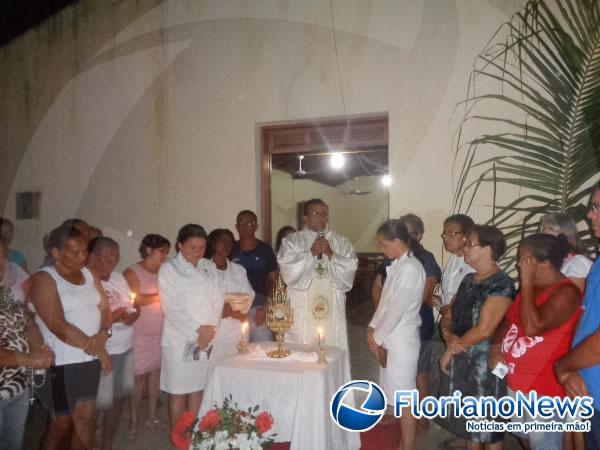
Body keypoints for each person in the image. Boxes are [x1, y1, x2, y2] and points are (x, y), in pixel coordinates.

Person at [492, 234, 581, 450]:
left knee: (546, 444)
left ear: (545, 264)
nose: (518, 264)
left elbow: (533, 327)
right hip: (517, 381)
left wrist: (527, 281)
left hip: (543, 389)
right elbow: (508, 321)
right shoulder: (531, 289)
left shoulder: (566, 293)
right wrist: (496, 346)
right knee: (525, 438)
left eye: (525, 259)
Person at [30, 223, 112, 450]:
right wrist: (96, 348)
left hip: (88, 361)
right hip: (58, 363)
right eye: (75, 251)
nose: (83, 256)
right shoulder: (44, 279)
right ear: (56, 253)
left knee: (85, 418)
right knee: (61, 423)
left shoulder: (89, 274)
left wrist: (104, 335)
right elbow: (58, 325)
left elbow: (105, 309)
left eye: (85, 250)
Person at [437, 225, 515, 450]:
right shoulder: (469, 279)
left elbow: (485, 329)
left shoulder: (502, 284)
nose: (465, 248)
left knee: (489, 429)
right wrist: (448, 336)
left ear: (489, 249)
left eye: (471, 244)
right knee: (469, 425)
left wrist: (450, 349)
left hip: (485, 364)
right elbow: (449, 314)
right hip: (462, 356)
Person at [367, 219, 425, 450]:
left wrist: (376, 338)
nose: (382, 249)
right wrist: (372, 328)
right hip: (391, 338)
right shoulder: (399, 265)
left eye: (383, 244)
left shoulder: (411, 269)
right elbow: (384, 304)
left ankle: (408, 447)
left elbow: (397, 310)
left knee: (406, 400)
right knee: (400, 398)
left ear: (397, 242)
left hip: (402, 341)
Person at [158, 224, 222, 426]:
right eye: (192, 247)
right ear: (180, 246)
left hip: (205, 339)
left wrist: (210, 329)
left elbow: (217, 299)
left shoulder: (208, 266)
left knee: (197, 387)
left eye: (202, 248)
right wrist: (198, 330)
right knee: (179, 391)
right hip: (180, 338)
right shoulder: (170, 269)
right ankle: (180, 440)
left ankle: (195, 438)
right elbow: (171, 307)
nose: (198, 252)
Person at [277, 198, 358, 352]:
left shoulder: (341, 243)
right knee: (302, 356)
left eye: (324, 213)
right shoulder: (292, 241)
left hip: (331, 311)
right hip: (302, 309)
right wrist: (310, 254)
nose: (321, 217)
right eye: (315, 213)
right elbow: (287, 269)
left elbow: (350, 268)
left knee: (331, 351)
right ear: (305, 217)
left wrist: (331, 254)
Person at [555, 182, 600, 450]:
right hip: (588, 388)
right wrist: (572, 370)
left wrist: (564, 367)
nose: (589, 215)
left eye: (596, 207)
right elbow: (584, 315)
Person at [87, 237, 140, 450]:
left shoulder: (118, 278)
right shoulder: (87, 280)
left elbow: (131, 304)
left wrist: (133, 314)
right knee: (95, 404)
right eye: (107, 257)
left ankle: (107, 444)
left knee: (118, 398)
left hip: (124, 347)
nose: (113, 262)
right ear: (92, 256)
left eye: (116, 257)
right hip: (100, 350)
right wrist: (115, 316)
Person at [122, 233, 170, 439]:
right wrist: (159, 296)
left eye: (167, 252)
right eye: (162, 251)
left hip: (161, 328)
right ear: (149, 250)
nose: (165, 256)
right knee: (139, 376)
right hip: (140, 331)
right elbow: (135, 300)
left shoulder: (165, 271)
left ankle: (151, 414)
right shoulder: (133, 271)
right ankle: (132, 419)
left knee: (155, 373)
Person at [0, 285, 54, 450]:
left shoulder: (5, 293)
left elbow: (28, 323)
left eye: (3, 260)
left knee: (13, 444)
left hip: (18, 387)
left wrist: (39, 349)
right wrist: (30, 359)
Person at [231, 210, 277, 342]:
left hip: (259, 309)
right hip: (236, 311)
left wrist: (266, 308)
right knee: (237, 354)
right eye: (241, 223)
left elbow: (275, 281)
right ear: (236, 226)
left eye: (249, 223)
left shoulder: (265, 250)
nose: (244, 226)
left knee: (262, 352)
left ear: (256, 226)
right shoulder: (230, 249)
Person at [207, 229, 253, 359]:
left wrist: (231, 309)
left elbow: (248, 297)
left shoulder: (239, 270)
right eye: (222, 241)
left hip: (237, 327)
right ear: (213, 243)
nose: (226, 245)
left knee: (237, 365)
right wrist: (224, 308)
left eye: (229, 242)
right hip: (214, 328)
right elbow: (204, 299)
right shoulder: (203, 269)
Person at [539, 212, 592, 292]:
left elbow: (574, 300)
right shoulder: (552, 263)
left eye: (550, 228)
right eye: (543, 228)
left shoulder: (577, 263)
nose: (545, 232)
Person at [0, 238, 29, 304]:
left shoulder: (14, 268)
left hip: (19, 312)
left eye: (2, 252)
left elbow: (31, 294)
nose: (1, 256)